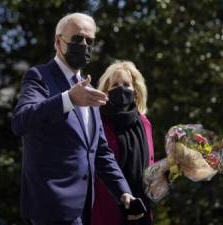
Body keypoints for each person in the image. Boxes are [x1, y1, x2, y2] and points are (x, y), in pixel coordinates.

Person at [11, 13, 143, 225]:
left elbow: (99, 150)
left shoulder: (89, 91)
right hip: (50, 206)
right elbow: (21, 121)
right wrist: (68, 99)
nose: (84, 45)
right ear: (58, 42)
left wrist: (123, 192)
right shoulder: (38, 77)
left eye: (90, 41)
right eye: (77, 39)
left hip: (84, 209)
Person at [91, 61, 155, 225]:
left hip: (140, 212)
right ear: (106, 91)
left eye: (126, 84)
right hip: (106, 210)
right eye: (115, 85)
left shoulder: (145, 124)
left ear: (135, 91)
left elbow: (150, 167)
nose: (121, 89)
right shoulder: (96, 120)